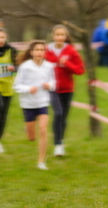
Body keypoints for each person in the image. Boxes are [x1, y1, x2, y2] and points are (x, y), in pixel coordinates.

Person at [13, 41, 55, 170]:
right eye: (37, 50)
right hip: (28, 104)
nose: (39, 52)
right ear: (31, 52)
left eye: (42, 50)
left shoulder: (49, 66)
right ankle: (30, 132)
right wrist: (28, 89)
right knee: (31, 137)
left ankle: (41, 161)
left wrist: (50, 85)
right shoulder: (25, 67)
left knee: (43, 130)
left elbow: (54, 82)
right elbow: (16, 86)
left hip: (42, 102)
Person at [45, 25, 85, 156]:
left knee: (63, 117)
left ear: (66, 37)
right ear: (53, 36)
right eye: (57, 35)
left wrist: (67, 64)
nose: (59, 37)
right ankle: (57, 145)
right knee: (58, 113)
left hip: (67, 89)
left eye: (62, 35)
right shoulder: (46, 51)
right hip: (52, 88)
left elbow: (80, 70)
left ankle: (60, 142)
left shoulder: (71, 51)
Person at [0, 28, 17, 153]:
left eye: (2, 37)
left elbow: (18, 66)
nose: (1, 40)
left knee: (3, 117)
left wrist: (13, 67)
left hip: (7, 88)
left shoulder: (12, 51)